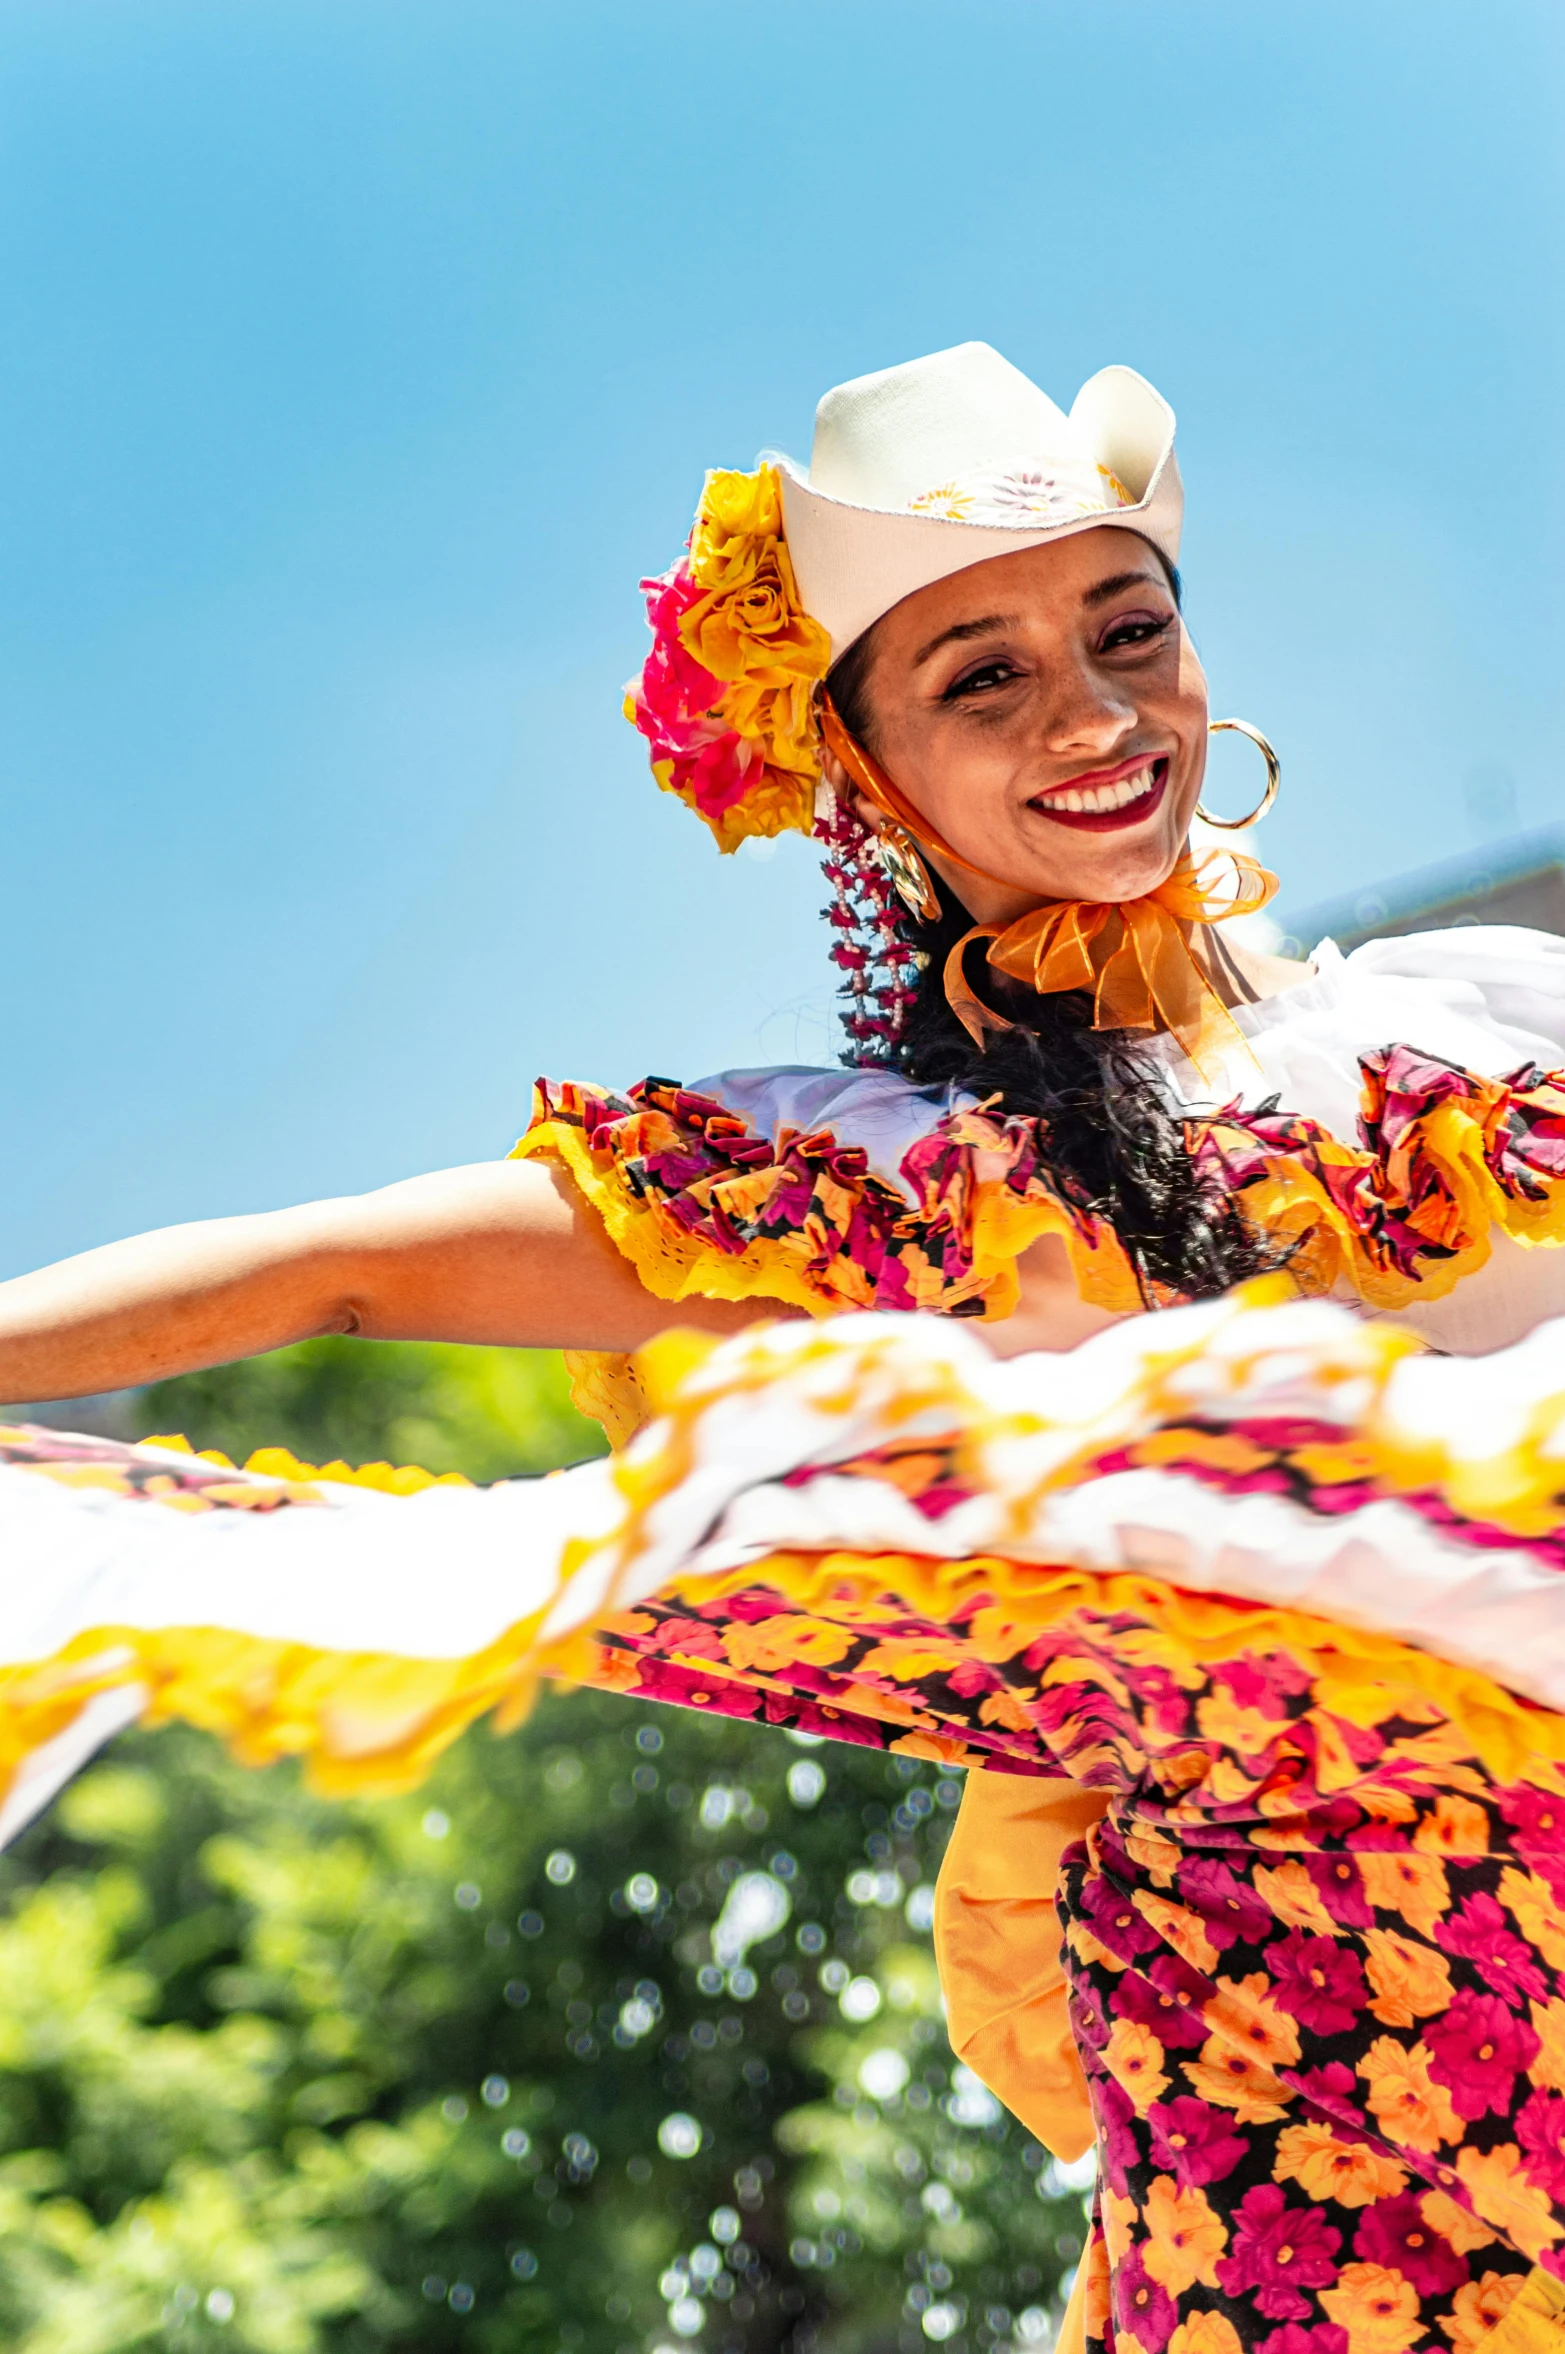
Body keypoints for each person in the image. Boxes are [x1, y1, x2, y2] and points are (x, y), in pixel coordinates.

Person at [6, 341, 1565, 2354]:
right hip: (1316, 2010)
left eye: (1123, 629)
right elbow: (321, 1276)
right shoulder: (879, 1175)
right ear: (868, 779)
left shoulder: (1477, 1023)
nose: (1088, 711)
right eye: (977, 675)